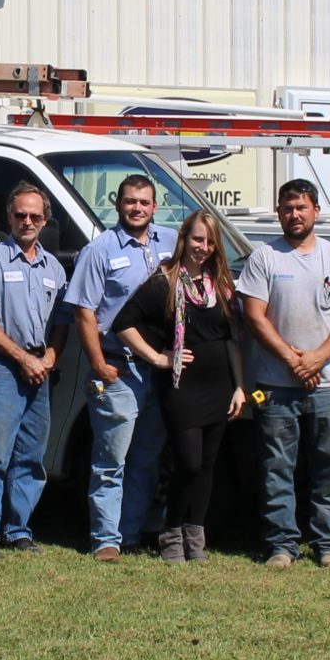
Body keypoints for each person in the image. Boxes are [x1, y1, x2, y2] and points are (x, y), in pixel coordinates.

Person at [237, 179, 330, 569]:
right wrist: (292, 360)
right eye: (288, 208)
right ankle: (281, 545)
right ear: (278, 212)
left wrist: (320, 356)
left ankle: (329, 545)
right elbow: (254, 316)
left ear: (316, 212)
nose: (295, 214)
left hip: (326, 382)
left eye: (302, 207)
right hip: (276, 384)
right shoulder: (264, 257)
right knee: (278, 467)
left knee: (329, 466)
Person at [112, 212, 247, 564]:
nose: (202, 248)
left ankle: (195, 535)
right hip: (182, 386)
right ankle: (171, 530)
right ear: (184, 238)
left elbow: (231, 338)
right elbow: (123, 323)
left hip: (220, 385)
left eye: (209, 242)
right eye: (197, 239)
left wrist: (239, 387)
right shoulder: (165, 281)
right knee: (187, 462)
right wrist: (157, 357)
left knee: (207, 464)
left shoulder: (220, 284)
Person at [63, 175, 176, 563]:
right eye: (130, 202)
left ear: (155, 206)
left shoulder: (171, 242)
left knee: (147, 458)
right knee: (110, 460)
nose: (137, 208)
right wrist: (98, 364)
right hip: (118, 369)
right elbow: (83, 311)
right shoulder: (100, 250)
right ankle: (106, 540)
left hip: (158, 369)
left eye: (144, 202)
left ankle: (132, 533)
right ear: (118, 203)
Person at [0, 183, 69, 559]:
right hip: (4, 367)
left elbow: (61, 321)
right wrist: (23, 359)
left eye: (35, 216)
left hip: (41, 369)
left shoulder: (52, 266)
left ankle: (18, 530)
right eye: (20, 214)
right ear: (9, 216)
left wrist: (50, 356)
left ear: (45, 219)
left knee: (31, 456)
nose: (27, 221)